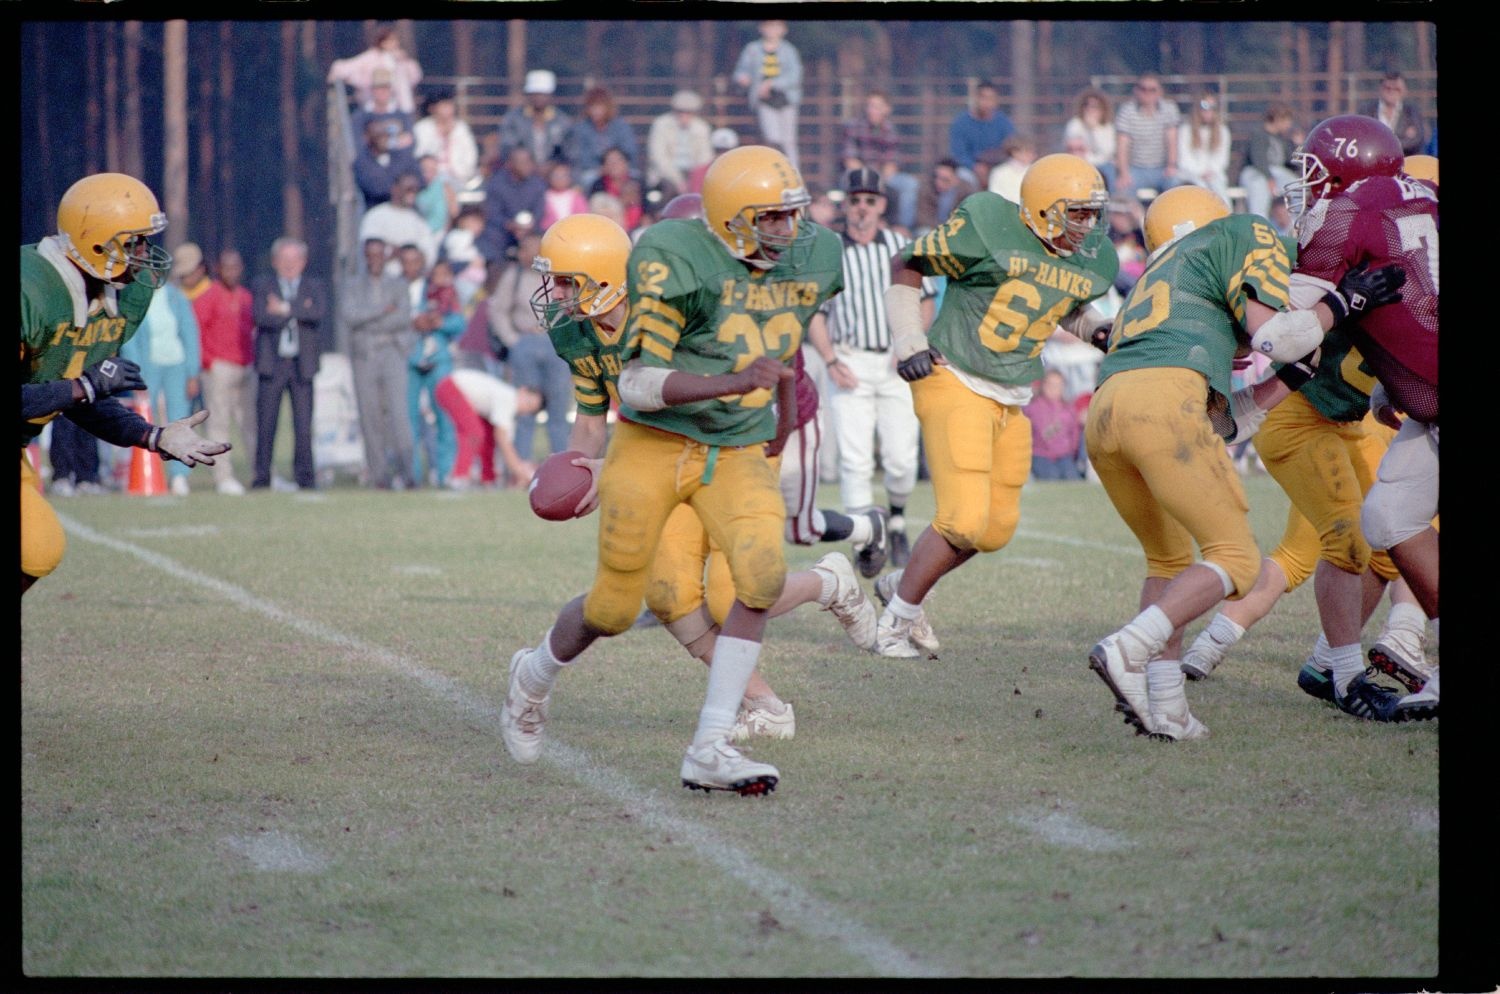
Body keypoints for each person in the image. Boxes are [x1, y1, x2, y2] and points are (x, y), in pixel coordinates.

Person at [503, 148, 850, 794]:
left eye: (570, 283)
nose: (558, 297)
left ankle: (721, 735)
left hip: (719, 446)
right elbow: (599, 411)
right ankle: (531, 679)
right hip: (649, 452)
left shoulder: (683, 284)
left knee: (755, 577)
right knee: (618, 606)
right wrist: (586, 471)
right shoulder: (582, 334)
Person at [1082, 184, 1406, 741]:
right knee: (1237, 559)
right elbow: (1275, 334)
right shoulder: (1238, 233)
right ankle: (1128, 646)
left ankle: (1166, 705)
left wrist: (1280, 385)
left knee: (1167, 561)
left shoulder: (1156, 282)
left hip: (1108, 409)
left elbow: (1222, 422)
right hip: (1164, 401)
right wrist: (1339, 303)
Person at [874, 153, 1119, 659]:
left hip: (1011, 390)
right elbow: (907, 260)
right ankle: (893, 623)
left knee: (994, 529)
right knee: (962, 520)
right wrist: (908, 339)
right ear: (1044, 208)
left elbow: (1063, 302)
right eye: (1078, 212)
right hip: (955, 373)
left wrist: (1097, 330)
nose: (1089, 225)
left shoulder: (1082, 257)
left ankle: (903, 584)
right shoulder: (987, 224)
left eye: (1093, 213)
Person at [1279, 115, 1439, 720]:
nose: (1312, 187)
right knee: (1389, 516)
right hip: (1425, 402)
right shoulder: (1425, 194)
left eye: (1317, 172)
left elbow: (1290, 336)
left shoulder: (1347, 211)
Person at [22, 173, 227, 594]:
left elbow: (79, 394)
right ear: (93, 241)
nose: (143, 253)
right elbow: (77, 389)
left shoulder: (109, 293)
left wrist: (152, 436)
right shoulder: (32, 290)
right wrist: (82, 387)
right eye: (131, 242)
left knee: (40, 548)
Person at [805, 167, 933, 570]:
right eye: (855, 200)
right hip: (849, 359)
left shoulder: (899, 244)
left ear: (881, 205)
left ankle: (895, 521)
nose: (861, 207)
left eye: (869, 200)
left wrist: (909, 342)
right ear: (846, 204)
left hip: (895, 360)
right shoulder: (829, 249)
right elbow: (815, 313)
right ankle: (866, 540)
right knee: (855, 458)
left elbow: (925, 300)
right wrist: (830, 360)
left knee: (900, 458)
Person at [120, 263, 203, 497]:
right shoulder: (135, 299)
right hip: (148, 367)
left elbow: (189, 332)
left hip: (176, 363)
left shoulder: (176, 297)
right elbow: (130, 339)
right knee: (144, 418)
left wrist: (192, 372)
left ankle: (179, 474)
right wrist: (135, 372)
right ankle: (142, 471)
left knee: (179, 418)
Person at [251, 236, 327, 491]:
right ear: (275, 262)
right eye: (284, 260)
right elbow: (261, 317)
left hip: (301, 364)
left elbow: (316, 314)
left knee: (303, 426)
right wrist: (297, 310)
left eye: (294, 260)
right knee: (266, 424)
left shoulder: (313, 286)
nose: (289, 265)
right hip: (272, 363)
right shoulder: (263, 285)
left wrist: (283, 308)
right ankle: (262, 477)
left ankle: (305, 477)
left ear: (303, 262)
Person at [180, 244, 256, 495]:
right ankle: (223, 476)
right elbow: (195, 334)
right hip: (219, 368)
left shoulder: (246, 296)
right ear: (218, 270)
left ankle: (259, 473)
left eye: (236, 267)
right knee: (219, 425)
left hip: (245, 366)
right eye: (227, 267)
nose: (232, 272)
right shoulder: (209, 297)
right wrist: (208, 363)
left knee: (250, 423)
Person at [342, 237, 416, 490]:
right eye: (369, 255)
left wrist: (373, 318)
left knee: (399, 415)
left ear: (386, 256)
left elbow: (403, 317)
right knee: (370, 415)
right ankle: (379, 475)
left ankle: (409, 474)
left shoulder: (398, 285)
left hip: (392, 352)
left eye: (379, 254)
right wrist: (383, 311)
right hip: (365, 354)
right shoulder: (352, 285)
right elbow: (350, 316)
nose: (374, 260)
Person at [401, 247, 464, 486]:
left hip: (438, 358)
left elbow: (459, 323)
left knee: (445, 416)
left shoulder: (445, 291)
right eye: (407, 262)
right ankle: (411, 475)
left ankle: (445, 472)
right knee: (408, 419)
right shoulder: (398, 287)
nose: (411, 267)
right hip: (410, 358)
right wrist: (413, 322)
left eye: (416, 261)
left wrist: (440, 322)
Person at [434, 367, 539, 489]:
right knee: (473, 432)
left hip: (456, 389)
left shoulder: (509, 406)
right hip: (450, 387)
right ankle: (459, 476)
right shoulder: (509, 398)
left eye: (530, 409)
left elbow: (498, 437)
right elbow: (502, 438)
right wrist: (518, 470)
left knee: (487, 436)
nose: (525, 408)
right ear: (523, 390)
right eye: (528, 402)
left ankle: (488, 478)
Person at [841, 90, 920, 233]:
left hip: (882, 176)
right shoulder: (853, 126)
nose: (872, 110)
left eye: (876, 107)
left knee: (909, 185)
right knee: (848, 180)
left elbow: (892, 163)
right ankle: (852, 224)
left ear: (887, 110)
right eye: (870, 106)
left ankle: (902, 228)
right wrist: (869, 178)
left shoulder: (890, 130)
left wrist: (881, 180)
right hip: (858, 174)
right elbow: (850, 160)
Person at [732, 20, 803, 170]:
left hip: (786, 100)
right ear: (761, 28)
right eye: (768, 26)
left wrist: (772, 84)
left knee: (789, 141)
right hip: (764, 101)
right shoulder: (752, 49)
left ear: (783, 29)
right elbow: (740, 71)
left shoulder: (789, 50)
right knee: (772, 138)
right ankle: (777, 171)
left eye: (776, 26)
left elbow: (795, 76)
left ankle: (794, 175)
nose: (772, 30)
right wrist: (743, 78)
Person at [327, 23, 423, 115]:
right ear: (381, 41)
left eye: (394, 40)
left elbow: (415, 76)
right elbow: (344, 67)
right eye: (389, 40)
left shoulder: (400, 58)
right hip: (375, 105)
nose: (393, 43)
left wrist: (404, 61)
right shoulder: (371, 57)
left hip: (399, 105)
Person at [475, 145, 545, 268]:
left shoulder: (537, 184)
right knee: (488, 240)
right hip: (503, 230)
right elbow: (493, 213)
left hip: (530, 230)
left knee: (542, 243)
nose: (527, 165)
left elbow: (538, 211)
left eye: (529, 161)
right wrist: (510, 225)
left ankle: (541, 281)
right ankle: (494, 278)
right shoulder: (496, 184)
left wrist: (527, 227)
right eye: (522, 162)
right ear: (510, 164)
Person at [1114, 73, 1182, 198]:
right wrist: (1123, 173)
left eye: (1152, 90)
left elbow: (1172, 141)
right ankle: (1136, 216)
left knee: (1176, 186)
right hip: (1135, 168)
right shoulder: (1127, 111)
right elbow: (1122, 145)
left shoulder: (1169, 109)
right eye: (1143, 89)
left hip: (1162, 169)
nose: (1147, 93)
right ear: (1136, 90)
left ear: (1160, 92)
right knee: (1122, 190)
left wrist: (1171, 165)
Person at [564, 85, 641, 193]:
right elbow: (579, 157)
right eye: (592, 107)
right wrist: (603, 169)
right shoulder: (580, 129)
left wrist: (615, 166)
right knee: (586, 180)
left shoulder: (621, 126)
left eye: (599, 106)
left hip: (621, 169)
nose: (595, 111)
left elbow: (630, 151)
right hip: (593, 171)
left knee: (636, 181)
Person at [359, 173, 438, 275]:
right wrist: (401, 252)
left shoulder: (419, 221)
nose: (412, 193)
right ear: (395, 189)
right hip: (382, 280)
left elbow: (428, 255)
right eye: (408, 189)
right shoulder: (376, 215)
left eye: (415, 190)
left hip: (410, 282)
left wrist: (404, 254)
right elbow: (371, 250)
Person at [1238, 104, 1301, 221]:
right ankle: (1259, 224)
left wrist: (1297, 145)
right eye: (1286, 121)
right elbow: (1259, 160)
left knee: (1298, 188)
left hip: (1278, 173)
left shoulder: (1283, 139)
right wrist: (1269, 178)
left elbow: (1292, 162)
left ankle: (1297, 225)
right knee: (1259, 189)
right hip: (1257, 172)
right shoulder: (1259, 135)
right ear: (1277, 119)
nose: (1289, 125)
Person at [498, 69, 571, 168]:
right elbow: (508, 148)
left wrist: (552, 166)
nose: (539, 98)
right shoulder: (514, 119)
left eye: (543, 94)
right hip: (522, 172)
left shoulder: (562, 121)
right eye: (535, 93)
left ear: (550, 95)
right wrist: (527, 164)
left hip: (553, 173)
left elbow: (568, 152)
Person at [646, 89, 714, 196]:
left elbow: (705, 157)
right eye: (680, 111)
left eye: (688, 112)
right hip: (665, 176)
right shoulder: (661, 124)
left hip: (692, 175)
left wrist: (693, 179)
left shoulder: (702, 128)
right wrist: (678, 180)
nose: (684, 115)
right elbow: (658, 156)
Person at [948, 80, 1015, 186]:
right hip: (971, 170)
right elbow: (959, 154)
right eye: (983, 98)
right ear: (976, 98)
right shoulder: (961, 123)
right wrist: (974, 166)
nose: (987, 103)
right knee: (962, 177)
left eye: (991, 99)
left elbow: (1011, 148)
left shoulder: (1004, 123)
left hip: (998, 168)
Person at [412, 87, 479, 192]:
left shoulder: (461, 128)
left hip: (458, 179)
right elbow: (420, 155)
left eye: (450, 105)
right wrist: (441, 137)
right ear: (432, 108)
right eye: (444, 105)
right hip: (429, 181)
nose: (449, 109)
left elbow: (471, 156)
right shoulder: (422, 128)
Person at [1024, 369, 1082, 481]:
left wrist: (1072, 453)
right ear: (1043, 385)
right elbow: (1034, 434)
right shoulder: (1033, 407)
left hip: (1064, 456)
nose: (1053, 388)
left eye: (1058, 385)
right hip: (1040, 455)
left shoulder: (1069, 409)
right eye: (1050, 384)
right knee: (1051, 476)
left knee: (1072, 477)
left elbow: (1074, 435)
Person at [353, 116, 420, 211]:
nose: (384, 139)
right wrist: (401, 185)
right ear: (368, 138)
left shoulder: (402, 156)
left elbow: (419, 179)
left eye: (386, 135)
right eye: (379, 136)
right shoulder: (362, 162)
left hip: (407, 210)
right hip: (376, 210)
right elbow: (376, 189)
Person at [1177, 90, 1232, 201]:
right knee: (1199, 189)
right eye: (1204, 108)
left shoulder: (1223, 131)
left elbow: (1222, 159)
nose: (1208, 112)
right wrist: (1199, 172)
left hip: (1214, 175)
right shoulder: (1185, 130)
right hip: (1190, 175)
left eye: (1212, 108)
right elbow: (1184, 159)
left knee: (1220, 192)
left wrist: (1211, 171)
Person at [1062, 88, 1117, 192]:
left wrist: (1094, 130)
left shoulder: (1107, 128)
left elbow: (1107, 152)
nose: (1090, 109)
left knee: (1109, 172)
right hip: (1078, 163)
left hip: (1102, 165)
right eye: (1086, 105)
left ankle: (1109, 203)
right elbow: (1074, 146)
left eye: (1095, 107)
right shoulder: (1075, 124)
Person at [1361, 71, 1426, 156]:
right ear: (1380, 88)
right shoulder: (1367, 111)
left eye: (1397, 89)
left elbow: (1416, 140)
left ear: (1405, 91)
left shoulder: (1412, 112)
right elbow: (1363, 139)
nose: (1392, 92)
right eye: (1387, 88)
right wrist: (1399, 140)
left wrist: (1381, 145)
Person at [914, 158, 976, 235]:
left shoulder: (967, 191)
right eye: (936, 177)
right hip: (933, 229)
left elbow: (969, 217)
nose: (938, 183)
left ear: (956, 179)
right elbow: (922, 217)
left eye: (945, 180)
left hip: (956, 230)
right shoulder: (927, 188)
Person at [539, 159, 589, 231]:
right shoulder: (543, 197)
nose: (560, 179)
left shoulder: (576, 196)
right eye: (556, 176)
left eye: (563, 175)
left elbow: (583, 217)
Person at [986, 134, 1039, 203]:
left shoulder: (1036, 172)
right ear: (1015, 152)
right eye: (1027, 152)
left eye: (1033, 152)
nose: (1032, 155)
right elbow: (995, 196)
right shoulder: (999, 172)